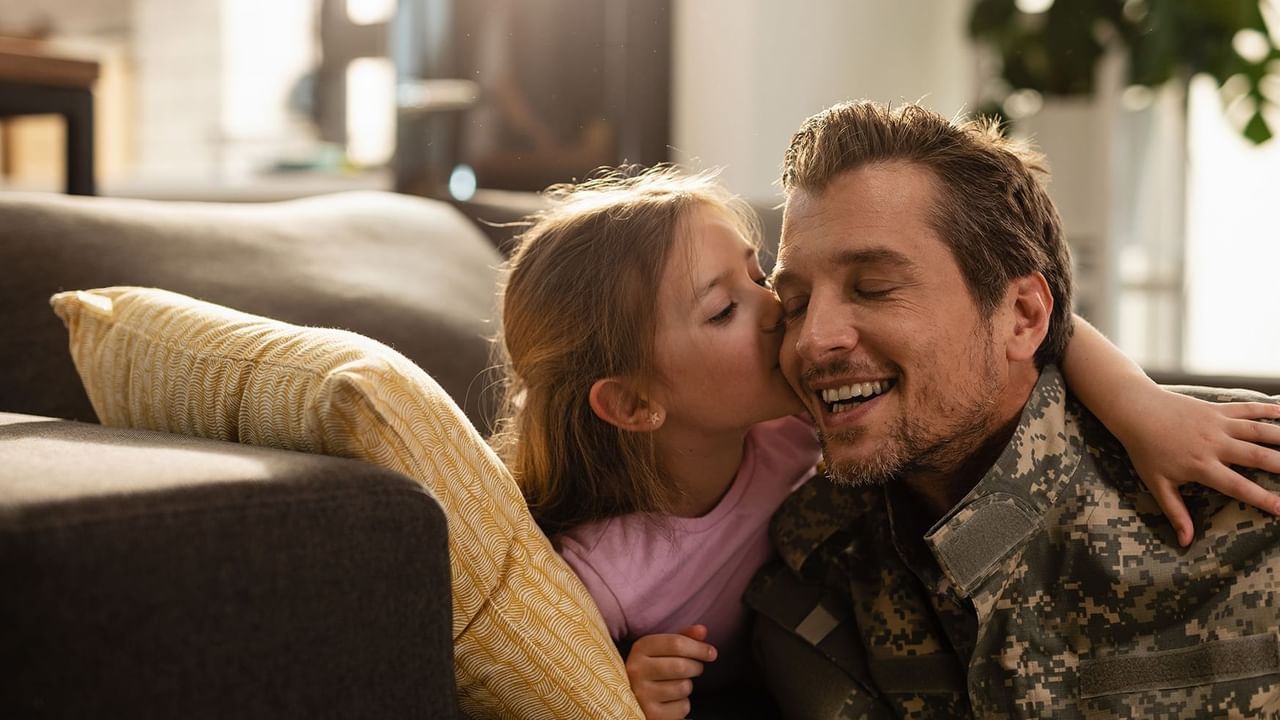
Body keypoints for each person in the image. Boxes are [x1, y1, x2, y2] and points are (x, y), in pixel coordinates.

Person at [490, 166, 1280, 720]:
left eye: (760, 278)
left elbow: (1044, 324)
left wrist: (1145, 405)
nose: (792, 321)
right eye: (731, 308)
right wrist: (626, 691)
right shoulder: (627, 573)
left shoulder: (791, 416)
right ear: (632, 403)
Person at [747, 100, 1280, 718]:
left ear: (1023, 317)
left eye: (874, 288)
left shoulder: (1250, 481)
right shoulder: (812, 571)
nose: (813, 338)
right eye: (793, 304)